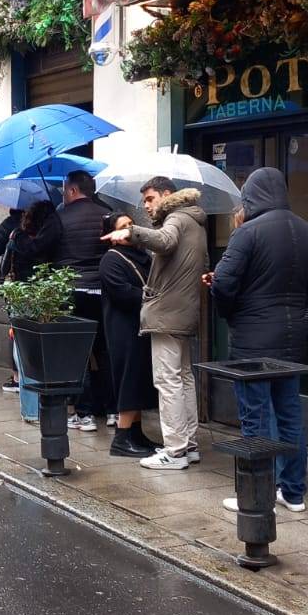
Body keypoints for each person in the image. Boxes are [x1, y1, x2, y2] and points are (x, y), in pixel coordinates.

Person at [209, 166, 308, 512]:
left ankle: (258, 493)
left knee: (255, 417)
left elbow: (225, 285)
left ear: (252, 196)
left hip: (252, 340)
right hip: (291, 340)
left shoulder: (247, 233)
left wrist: (231, 308)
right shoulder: (307, 232)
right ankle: (293, 493)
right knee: (291, 415)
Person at [103, 175, 208, 471]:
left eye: (150, 199)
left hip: (167, 314)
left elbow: (164, 240)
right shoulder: (195, 220)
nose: (146, 206)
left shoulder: (176, 219)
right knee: (183, 378)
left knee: (168, 381)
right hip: (182, 311)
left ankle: (175, 450)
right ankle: (188, 445)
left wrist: (131, 233)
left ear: (166, 194)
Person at [29, 170, 111, 431]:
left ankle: (83, 413)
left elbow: (45, 251)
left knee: (78, 352)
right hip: (103, 288)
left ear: (73, 190)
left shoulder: (59, 217)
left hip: (72, 289)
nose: (63, 194)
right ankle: (111, 410)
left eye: (65, 189)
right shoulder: (107, 214)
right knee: (105, 349)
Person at [99, 212, 158, 457]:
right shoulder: (111, 260)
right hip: (123, 328)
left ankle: (136, 433)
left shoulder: (143, 255)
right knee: (129, 379)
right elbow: (122, 293)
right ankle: (122, 438)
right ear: (113, 236)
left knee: (140, 379)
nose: (129, 229)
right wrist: (150, 298)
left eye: (131, 224)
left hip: (141, 325)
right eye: (123, 226)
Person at [1, 200, 57, 420]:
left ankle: (31, 410)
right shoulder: (50, 242)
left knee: (24, 353)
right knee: (38, 353)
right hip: (41, 296)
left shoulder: (16, 236)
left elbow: (4, 264)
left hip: (18, 296)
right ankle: (39, 407)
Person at [0, 209, 23, 389]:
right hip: (41, 286)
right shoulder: (51, 220)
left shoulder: (14, 222)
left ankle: (17, 378)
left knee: (15, 331)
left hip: (16, 286)